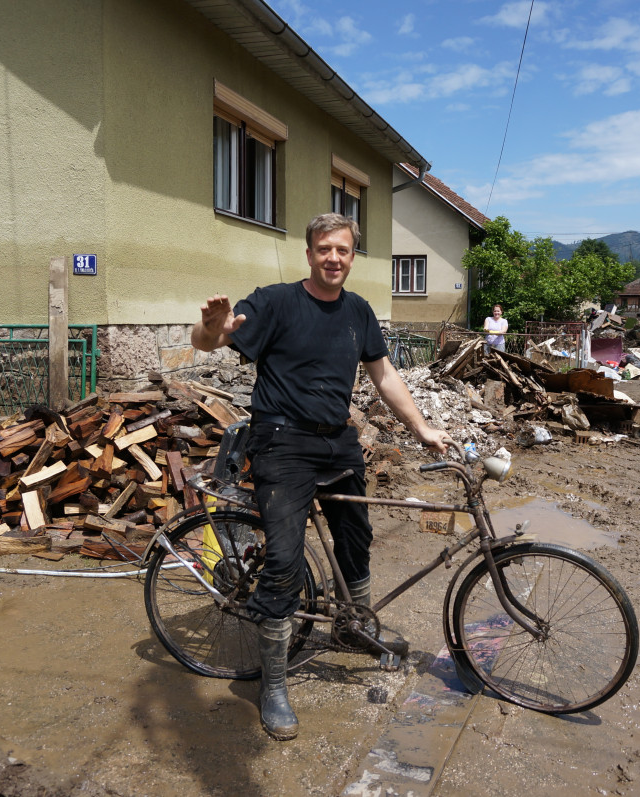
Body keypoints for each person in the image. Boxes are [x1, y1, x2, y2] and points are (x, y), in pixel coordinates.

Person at [191, 213, 455, 742]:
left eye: (343, 250)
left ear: (353, 256)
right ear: (309, 253)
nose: (334, 258)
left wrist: (421, 426)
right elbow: (209, 341)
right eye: (324, 249)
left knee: (356, 538)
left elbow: (384, 375)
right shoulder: (274, 301)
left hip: (337, 440)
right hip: (282, 442)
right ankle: (273, 682)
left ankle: (350, 627)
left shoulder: (358, 311)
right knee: (285, 560)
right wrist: (212, 327)